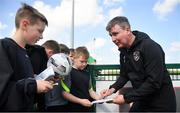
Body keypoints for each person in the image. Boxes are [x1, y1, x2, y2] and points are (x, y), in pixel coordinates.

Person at [100, 16, 176, 112]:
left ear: (128, 30)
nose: (113, 39)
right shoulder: (123, 52)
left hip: (161, 103)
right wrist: (111, 89)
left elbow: (154, 82)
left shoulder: (150, 46)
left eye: (115, 34)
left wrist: (126, 98)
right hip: (141, 99)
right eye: (110, 35)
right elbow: (124, 75)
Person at [0, 3, 54, 111]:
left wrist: (41, 80)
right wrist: (33, 85)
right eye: (40, 31)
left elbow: (21, 80)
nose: (42, 36)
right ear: (24, 25)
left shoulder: (26, 52)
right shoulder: (3, 47)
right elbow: (3, 90)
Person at [63, 46, 102, 112]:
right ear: (74, 58)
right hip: (73, 109)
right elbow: (65, 93)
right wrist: (81, 101)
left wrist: (98, 98)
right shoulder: (68, 72)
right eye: (82, 61)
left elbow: (91, 91)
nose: (84, 64)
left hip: (87, 109)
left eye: (86, 62)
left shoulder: (87, 74)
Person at [43, 41, 71, 112]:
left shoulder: (67, 70)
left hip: (63, 104)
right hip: (49, 105)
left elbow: (66, 90)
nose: (65, 61)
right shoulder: (46, 66)